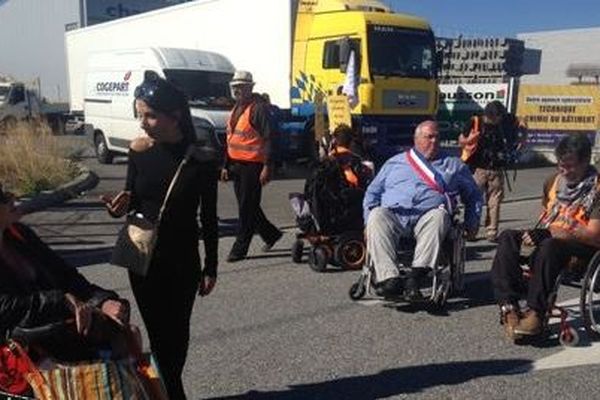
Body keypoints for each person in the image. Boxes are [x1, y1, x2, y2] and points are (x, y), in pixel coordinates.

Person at [103, 73, 219, 400]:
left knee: (177, 337)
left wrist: (211, 266)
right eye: (140, 114)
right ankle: (171, 394)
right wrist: (117, 207)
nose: (144, 123)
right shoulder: (138, 151)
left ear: (175, 115)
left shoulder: (201, 159)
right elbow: (131, 200)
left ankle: (164, 389)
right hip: (143, 258)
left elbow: (208, 217)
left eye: (151, 115)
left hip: (183, 261)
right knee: (158, 334)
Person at [0, 185, 130, 361]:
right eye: (3, 197)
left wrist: (102, 301)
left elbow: (66, 275)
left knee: (126, 335)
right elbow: (5, 308)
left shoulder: (20, 234)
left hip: (52, 333)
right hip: (16, 351)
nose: (12, 198)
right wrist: (62, 301)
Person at [491, 134, 600, 340]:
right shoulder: (553, 181)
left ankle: (536, 314)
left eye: (570, 166)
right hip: (549, 236)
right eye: (561, 165)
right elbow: (546, 217)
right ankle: (509, 307)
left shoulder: (597, 189)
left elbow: (594, 235)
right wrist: (537, 235)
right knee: (507, 237)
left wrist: (557, 233)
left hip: (582, 246)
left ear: (586, 161)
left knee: (550, 245)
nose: (564, 171)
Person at [363, 120, 482, 299]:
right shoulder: (395, 162)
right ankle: (390, 279)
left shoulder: (454, 165)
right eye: (429, 137)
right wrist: (367, 220)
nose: (434, 141)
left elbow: (473, 195)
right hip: (395, 216)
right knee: (376, 215)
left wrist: (472, 222)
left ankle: (416, 277)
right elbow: (372, 193)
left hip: (429, 218)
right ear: (416, 139)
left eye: (437, 137)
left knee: (439, 215)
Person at [220, 71, 282, 262]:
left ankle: (240, 248)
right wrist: (225, 165)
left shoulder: (258, 109)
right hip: (236, 164)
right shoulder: (236, 108)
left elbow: (269, 138)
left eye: (241, 86)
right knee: (248, 205)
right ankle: (270, 234)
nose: (237, 90)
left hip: (253, 166)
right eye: (235, 87)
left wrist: (267, 167)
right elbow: (231, 139)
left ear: (250, 88)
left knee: (246, 208)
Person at [459, 100, 527, 242]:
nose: (496, 121)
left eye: (498, 118)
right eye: (494, 118)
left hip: (496, 168)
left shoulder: (506, 119)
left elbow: (522, 121)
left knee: (493, 201)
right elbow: (461, 140)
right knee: (475, 200)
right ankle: (472, 231)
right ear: (487, 115)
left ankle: (491, 232)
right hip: (478, 168)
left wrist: (522, 139)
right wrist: (470, 140)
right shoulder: (476, 121)